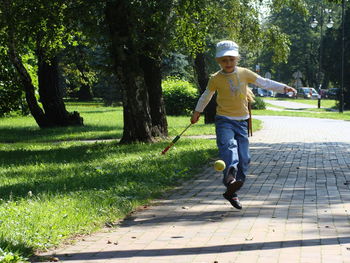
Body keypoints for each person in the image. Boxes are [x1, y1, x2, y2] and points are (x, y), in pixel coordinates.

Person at [190, 40, 296, 210]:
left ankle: (231, 191)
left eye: (231, 59)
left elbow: (265, 83)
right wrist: (197, 111)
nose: (228, 63)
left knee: (245, 159)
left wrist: (285, 88)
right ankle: (230, 178)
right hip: (224, 120)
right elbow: (206, 96)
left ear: (237, 59)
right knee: (229, 146)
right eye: (224, 60)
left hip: (241, 122)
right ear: (218, 61)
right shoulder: (215, 79)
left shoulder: (244, 73)